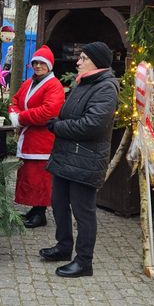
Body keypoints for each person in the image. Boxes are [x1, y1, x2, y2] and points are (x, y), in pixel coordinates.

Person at [40, 41, 118, 278]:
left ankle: (84, 261)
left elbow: (92, 125)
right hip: (67, 156)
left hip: (86, 160)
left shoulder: (106, 87)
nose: (78, 62)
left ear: (97, 61)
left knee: (83, 212)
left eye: (83, 58)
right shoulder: (84, 83)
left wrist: (58, 126)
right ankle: (64, 247)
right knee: (59, 203)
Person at [8, 46, 65, 228]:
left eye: (42, 63)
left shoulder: (54, 86)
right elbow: (15, 101)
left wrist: (21, 117)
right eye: (35, 63)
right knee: (29, 176)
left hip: (42, 142)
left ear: (49, 65)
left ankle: (40, 213)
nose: (38, 66)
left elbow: (48, 112)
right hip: (28, 138)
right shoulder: (29, 83)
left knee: (40, 178)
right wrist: (13, 114)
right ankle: (35, 209)